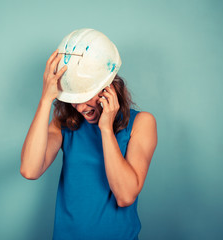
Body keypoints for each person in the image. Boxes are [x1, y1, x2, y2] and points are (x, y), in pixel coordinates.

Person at [21, 29, 157, 240]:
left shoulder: (142, 123)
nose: (78, 107)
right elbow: (30, 170)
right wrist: (46, 100)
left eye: (85, 95)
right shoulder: (64, 124)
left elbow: (125, 196)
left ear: (108, 86)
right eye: (72, 98)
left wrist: (105, 129)